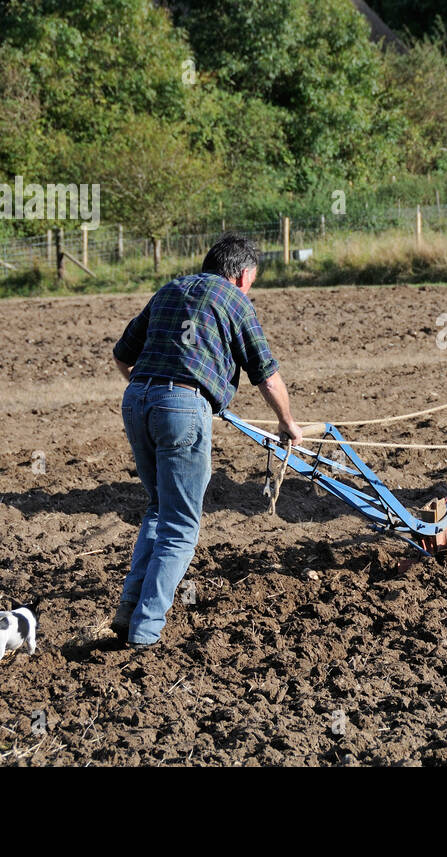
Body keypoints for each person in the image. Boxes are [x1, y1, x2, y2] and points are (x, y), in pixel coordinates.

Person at [110, 233, 302, 649]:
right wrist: (287, 422)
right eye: (253, 279)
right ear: (243, 275)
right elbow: (266, 375)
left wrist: (154, 392)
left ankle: (129, 608)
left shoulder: (170, 289)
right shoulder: (235, 300)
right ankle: (145, 631)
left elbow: (123, 354)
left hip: (136, 400)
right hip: (182, 408)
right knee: (181, 525)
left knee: (159, 510)